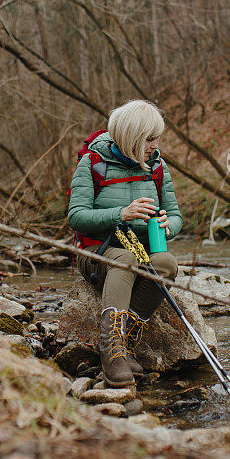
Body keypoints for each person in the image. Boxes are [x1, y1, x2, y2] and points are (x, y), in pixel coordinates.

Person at [68, 100, 182, 387]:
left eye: (157, 138)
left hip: (142, 249)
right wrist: (122, 213)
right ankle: (112, 351)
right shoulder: (93, 163)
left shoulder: (157, 166)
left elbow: (177, 216)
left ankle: (125, 340)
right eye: (149, 139)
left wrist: (169, 226)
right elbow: (76, 217)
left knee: (167, 264)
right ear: (131, 137)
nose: (155, 145)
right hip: (98, 252)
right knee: (125, 261)